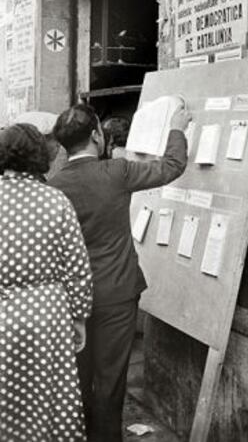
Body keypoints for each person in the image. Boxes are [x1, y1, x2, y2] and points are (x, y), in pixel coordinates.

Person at [49, 102, 191, 442]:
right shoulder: (117, 172)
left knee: (77, 377)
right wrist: (176, 127)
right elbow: (172, 166)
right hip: (117, 293)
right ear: (97, 135)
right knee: (111, 379)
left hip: (70, 300)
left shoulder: (53, 186)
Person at [0, 123, 93, 442]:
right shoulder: (55, 201)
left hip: (4, 315)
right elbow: (77, 267)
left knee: (7, 395)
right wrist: (79, 317)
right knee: (52, 395)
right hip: (49, 315)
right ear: (41, 156)